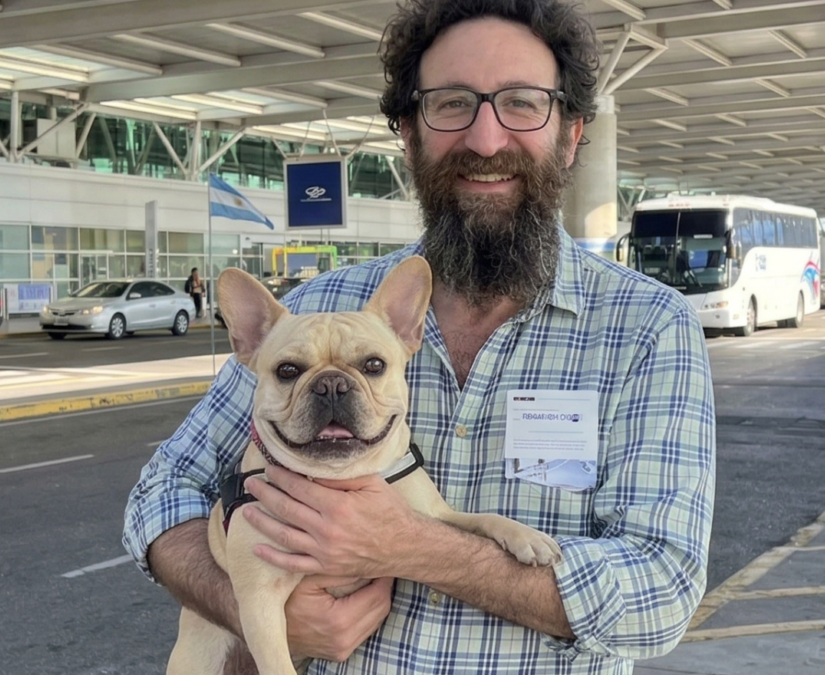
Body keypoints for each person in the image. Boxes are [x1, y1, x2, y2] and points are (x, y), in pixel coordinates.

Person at [123, 1, 716, 673]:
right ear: (408, 134)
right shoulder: (312, 311)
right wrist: (247, 603)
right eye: (452, 104)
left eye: (522, 103)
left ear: (573, 134)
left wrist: (413, 545)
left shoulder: (649, 328)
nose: (487, 140)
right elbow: (161, 492)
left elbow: (662, 590)